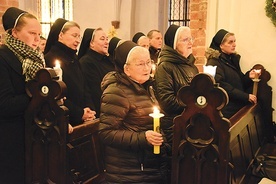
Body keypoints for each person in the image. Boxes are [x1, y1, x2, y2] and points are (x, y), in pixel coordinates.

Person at [98, 41, 169, 183]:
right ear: (126, 69)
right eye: (140, 64)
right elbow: (106, 133)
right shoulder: (116, 92)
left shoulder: (146, 86)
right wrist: (143, 138)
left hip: (147, 167)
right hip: (128, 172)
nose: (146, 68)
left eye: (148, 62)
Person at [0, 7, 44, 183]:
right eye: (32, 33)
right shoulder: (3, 58)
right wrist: (38, 96)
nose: (37, 39)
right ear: (14, 33)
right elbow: (4, 104)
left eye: (39, 34)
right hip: (10, 139)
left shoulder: (35, 59)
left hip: (33, 136)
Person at [44, 19, 96, 127]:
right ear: (61, 35)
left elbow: (85, 86)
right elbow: (57, 93)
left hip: (84, 116)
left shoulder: (74, 58)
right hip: (67, 119)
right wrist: (80, 113)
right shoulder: (50, 58)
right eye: (74, 35)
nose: (77, 40)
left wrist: (89, 110)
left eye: (79, 37)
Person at [154, 24, 199, 148]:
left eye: (191, 39)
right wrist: (195, 104)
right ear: (174, 44)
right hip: (174, 126)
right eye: (185, 40)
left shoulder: (191, 65)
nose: (190, 43)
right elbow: (167, 101)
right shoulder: (165, 67)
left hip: (191, 122)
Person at [205, 29, 259, 118]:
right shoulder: (213, 63)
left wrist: (249, 76)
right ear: (221, 45)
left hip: (236, 107)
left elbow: (238, 83)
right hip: (226, 111)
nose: (234, 45)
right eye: (230, 42)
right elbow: (221, 86)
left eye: (234, 41)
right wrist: (245, 96)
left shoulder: (231, 59)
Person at [79, 27, 115, 118]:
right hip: (103, 111)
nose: (107, 42)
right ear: (91, 43)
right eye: (102, 39)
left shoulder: (109, 59)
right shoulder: (87, 62)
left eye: (107, 39)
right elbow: (96, 91)